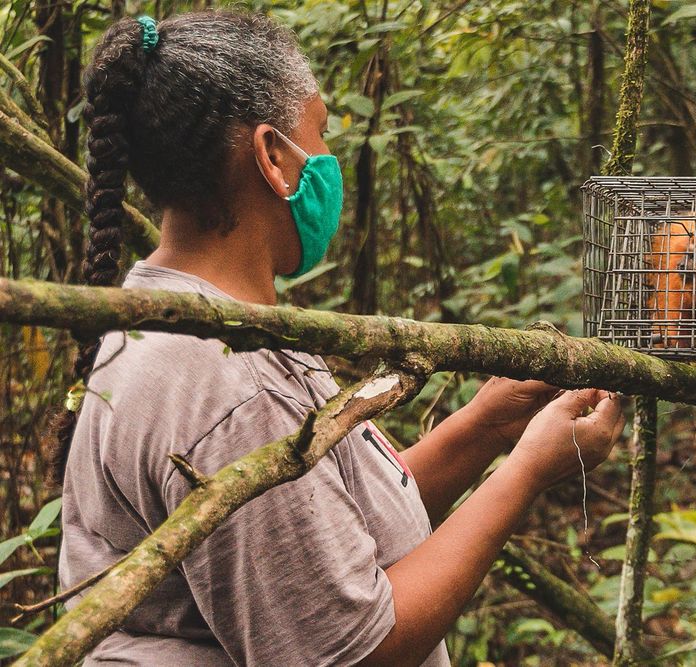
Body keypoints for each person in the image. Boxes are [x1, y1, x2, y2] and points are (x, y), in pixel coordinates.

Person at [51, 10, 625, 666]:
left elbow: (326, 529)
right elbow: (353, 651)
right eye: (318, 133)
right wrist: (527, 471)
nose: (328, 161)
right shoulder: (223, 379)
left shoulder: (204, 323)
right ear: (272, 156)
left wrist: (487, 428)